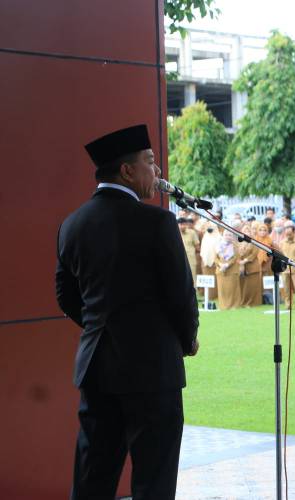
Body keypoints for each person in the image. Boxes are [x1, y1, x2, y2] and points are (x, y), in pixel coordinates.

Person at [55, 124, 198, 499]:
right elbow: (181, 295)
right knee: (154, 478)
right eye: (150, 162)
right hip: (153, 371)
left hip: (96, 367)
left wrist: (99, 326)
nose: (158, 172)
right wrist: (186, 340)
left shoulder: (72, 225)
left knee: (93, 476)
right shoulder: (157, 222)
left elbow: (65, 295)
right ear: (127, 171)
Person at [215, 229, 243, 310]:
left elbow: (235, 257)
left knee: (233, 289)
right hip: (220, 270)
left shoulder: (235, 245)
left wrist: (227, 264)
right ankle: (223, 306)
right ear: (223, 235)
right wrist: (220, 264)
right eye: (226, 235)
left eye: (230, 235)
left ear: (232, 236)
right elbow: (215, 257)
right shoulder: (218, 245)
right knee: (222, 289)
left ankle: (234, 305)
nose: (228, 236)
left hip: (232, 270)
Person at [238, 222, 263, 307]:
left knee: (252, 286)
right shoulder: (240, 242)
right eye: (244, 231)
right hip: (242, 268)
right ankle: (244, 302)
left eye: (248, 231)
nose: (246, 232)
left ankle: (253, 302)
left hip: (252, 267)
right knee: (244, 287)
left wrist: (245, 260)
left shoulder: (254, 242)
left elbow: (254, 254)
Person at [199, 224, 220, 304]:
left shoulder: (219, 237)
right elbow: (203, 249)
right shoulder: (205, 237)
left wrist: (216, 260)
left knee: (216, 279)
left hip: (216, 263)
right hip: (205, 262)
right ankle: (209, 296)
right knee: (208, 279)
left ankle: (217, 296)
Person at [178, 217, 200, 285]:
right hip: (179, 258)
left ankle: (193, 291)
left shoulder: (192, 232)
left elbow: (197, 246)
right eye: (180, 224)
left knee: (192, 275)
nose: (182, 226)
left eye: (184, 224)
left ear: (186, 224)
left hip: (190, 258)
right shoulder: (175, 232)